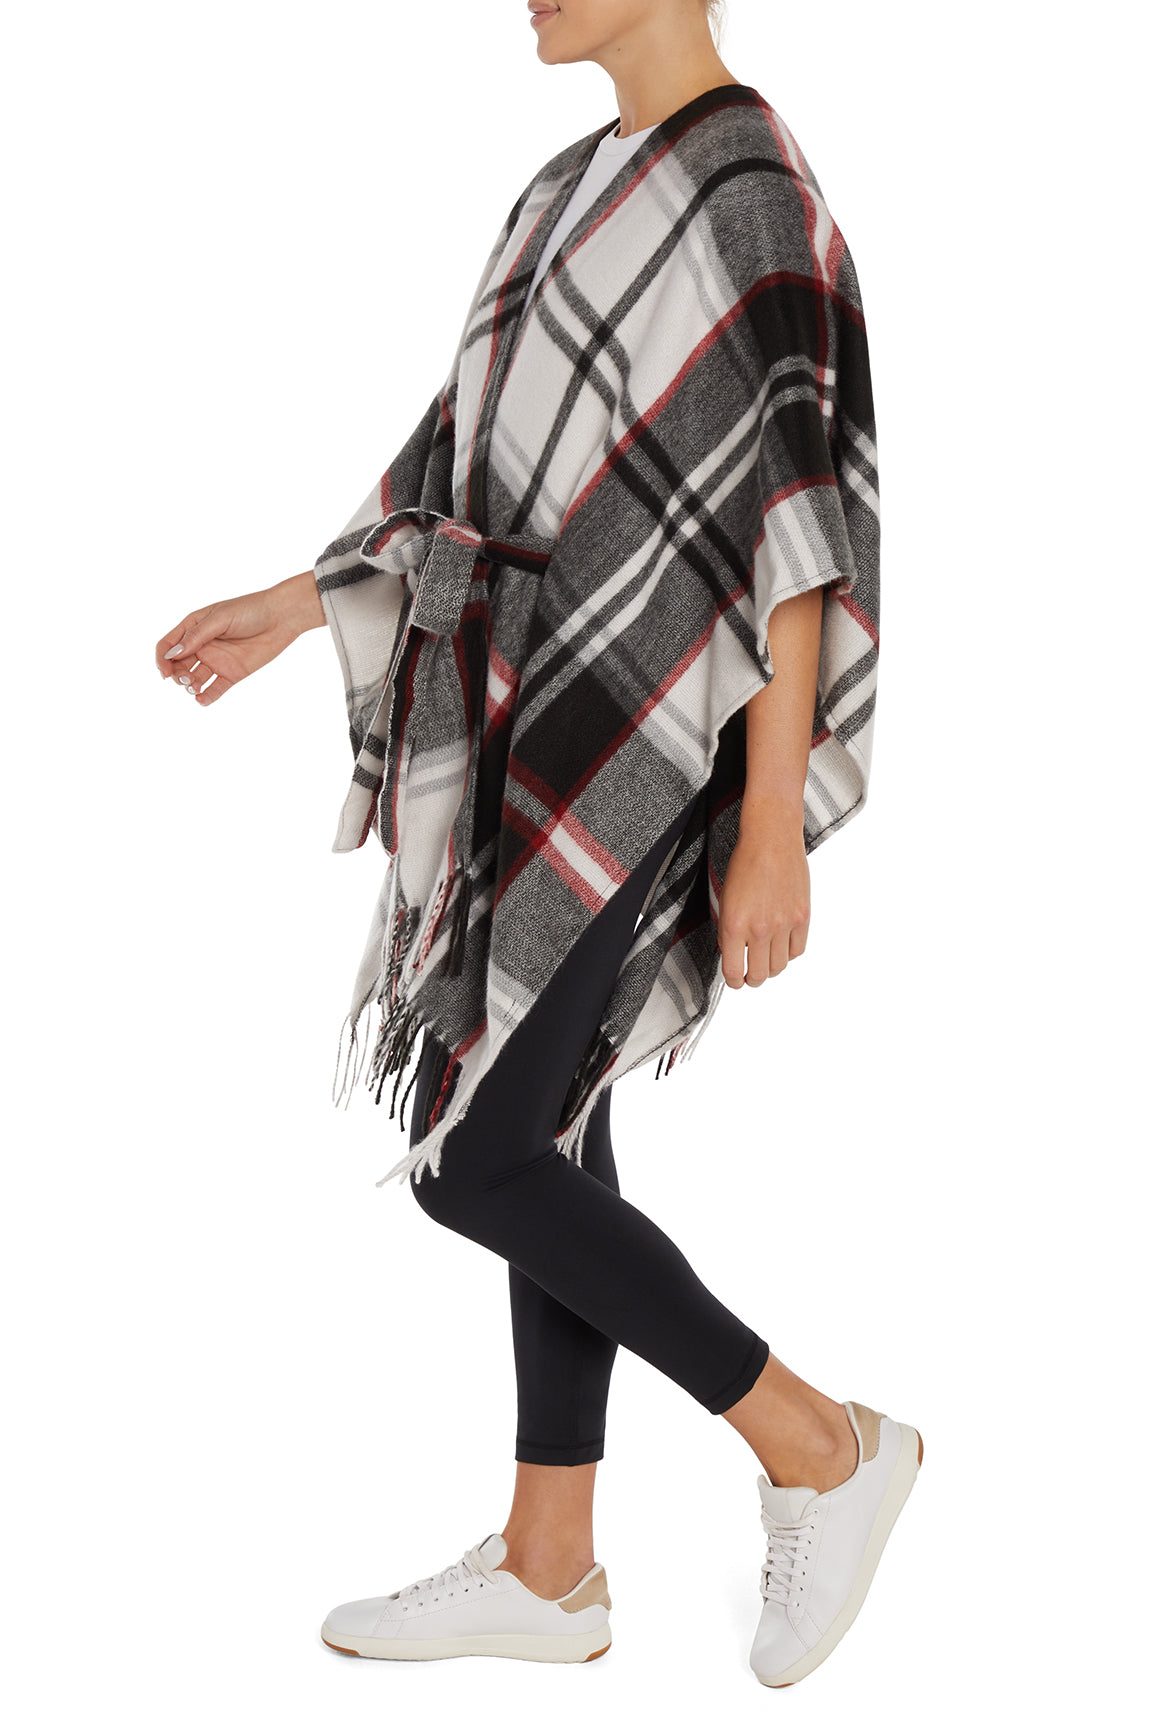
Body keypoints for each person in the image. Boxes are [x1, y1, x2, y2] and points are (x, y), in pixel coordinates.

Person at [154, 0, 921, 1690]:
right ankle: (551, 1564)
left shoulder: (749, 188)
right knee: (547, 1127)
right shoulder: (569, 185)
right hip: (541, 716)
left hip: (661, 724)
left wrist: (771, 821)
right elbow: (469, 463)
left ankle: (818, 1444)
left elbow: (791, 529)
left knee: (479, 1158)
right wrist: (302, 602)